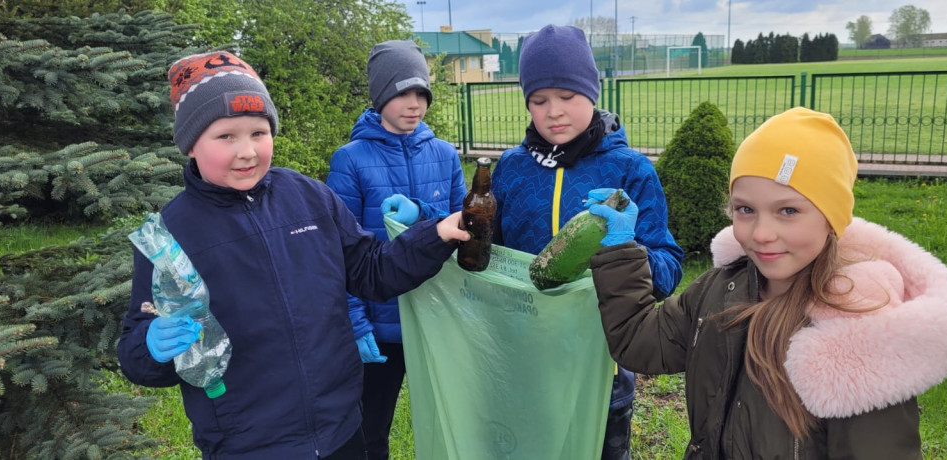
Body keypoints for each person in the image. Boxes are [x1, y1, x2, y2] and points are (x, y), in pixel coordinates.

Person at [116, 51, 469, 459]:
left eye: (258, 133)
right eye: (226, 137)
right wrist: (151, 345)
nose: (247, 152)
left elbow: (372, 270)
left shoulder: (309, 197)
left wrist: (436, 234)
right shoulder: (173, 232)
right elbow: (136, 352)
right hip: (248, 442)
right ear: (191, 144)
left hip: (340, 427)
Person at [587, 107, 947, 458]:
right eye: (745, 209)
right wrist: (621, 249)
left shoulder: (859, 334)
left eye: (788, 210)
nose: (761, 233)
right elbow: (640, 341)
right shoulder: (719, 288)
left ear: (831, 218)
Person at [490, 24, 685, 460]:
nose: (554, 112)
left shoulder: (631, 170)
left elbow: (669, 268)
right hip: (526, 358)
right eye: (539, 100)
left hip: (603, 359)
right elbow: (488, 253)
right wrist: (426, 224)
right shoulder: (510, 168)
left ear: (592, 94)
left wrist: (626, 247)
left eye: (568, 96)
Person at [325, 39, 467, 460]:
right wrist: (356, 322)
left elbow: (466, 224)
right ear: (380, 95)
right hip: (382, 324)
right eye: (403, 92)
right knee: (370, 429)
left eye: (422, 93)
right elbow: (340, 251)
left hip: (439, 316)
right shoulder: (350, 160)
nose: (414, 104)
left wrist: (424, 213)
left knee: (451, 422)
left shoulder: (444, 154)